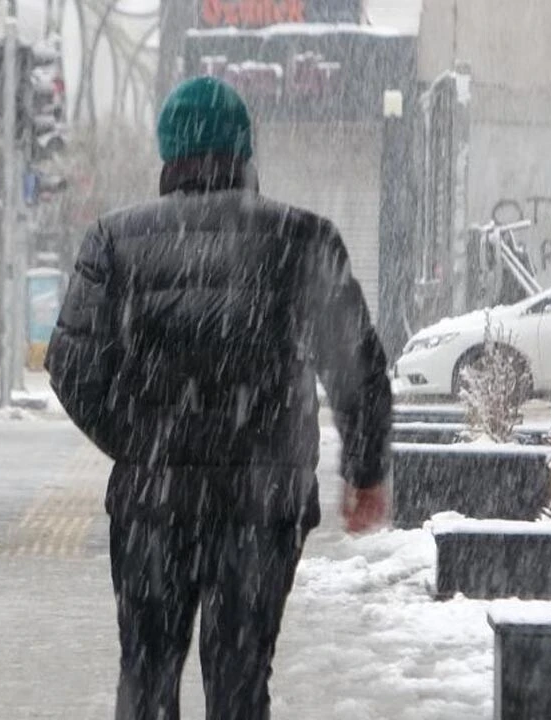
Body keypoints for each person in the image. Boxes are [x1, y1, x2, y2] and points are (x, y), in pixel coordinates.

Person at [45, 76, 393, 720]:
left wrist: (139, 442)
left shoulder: (115, 240)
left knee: (148, 673)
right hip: (265, 501)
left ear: (168, 151)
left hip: (154, 504)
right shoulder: (304, 238)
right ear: (244, 149)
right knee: (241, 678)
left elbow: (71, 365)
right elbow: (358, 367)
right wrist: (365, 470)